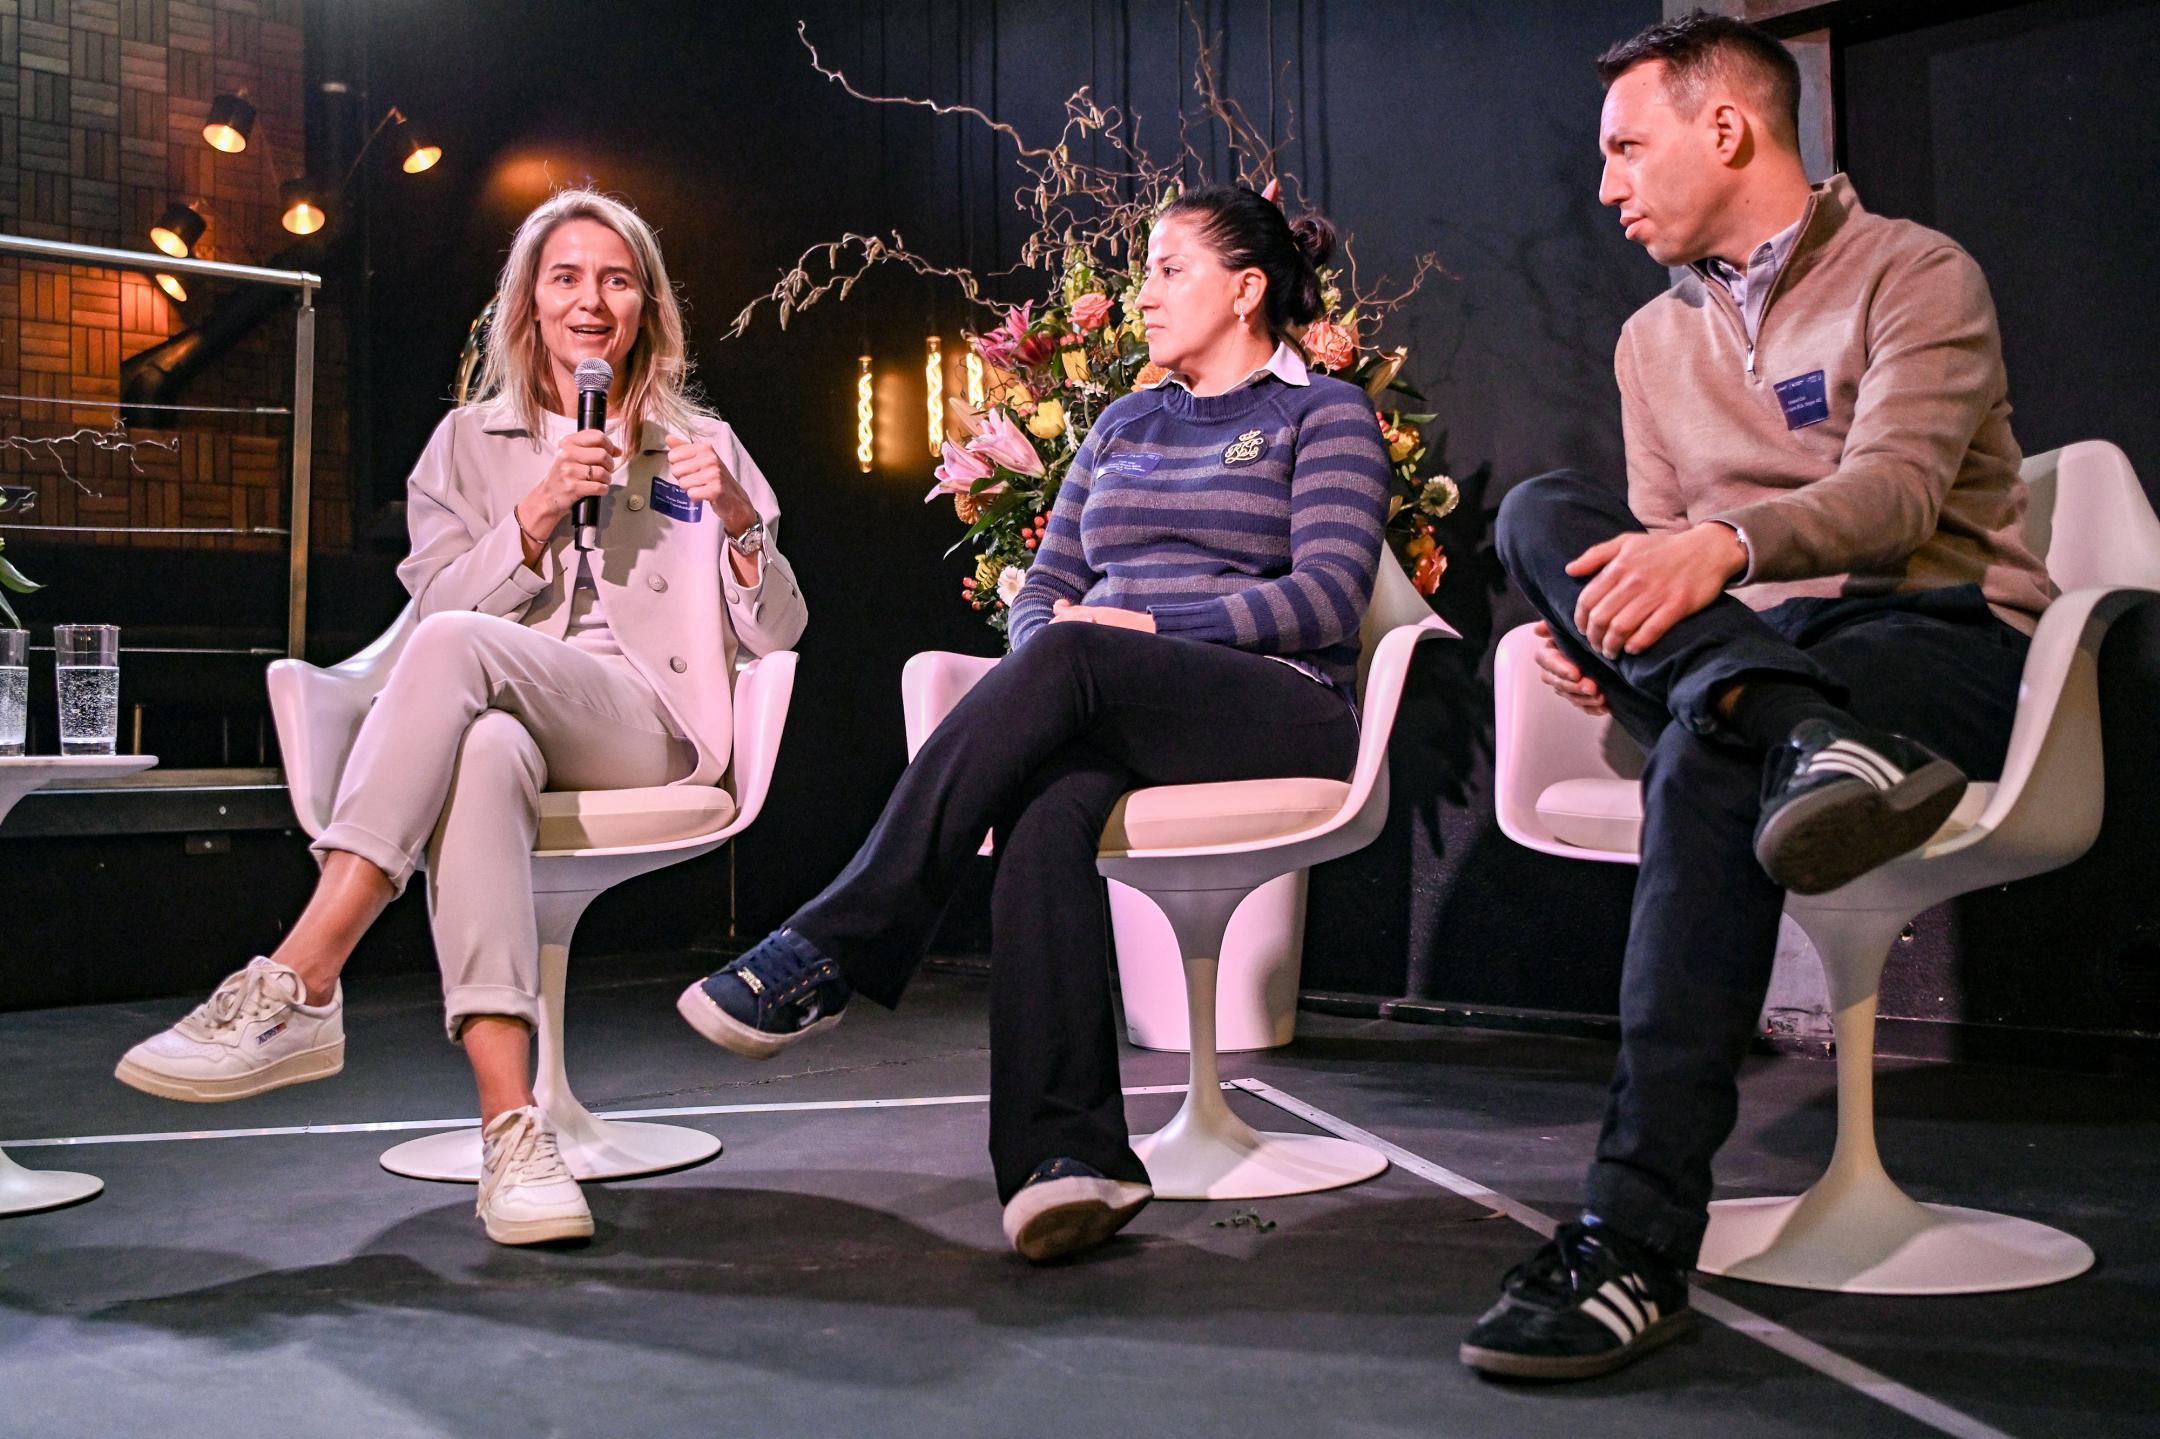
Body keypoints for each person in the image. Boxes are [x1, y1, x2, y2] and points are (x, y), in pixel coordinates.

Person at [1460, 11, 2054, 1380]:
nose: (1604, 186)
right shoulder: (1646, 344)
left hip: (1933, 634)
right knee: (1551, 519)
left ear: (1725, 128)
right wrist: (1619, 638)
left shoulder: (1916, 272)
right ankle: (1801, 733)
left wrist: (1708, 563)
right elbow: (1655, 554)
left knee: (1706, 743)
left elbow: (1902, 493)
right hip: (1771, 674)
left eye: (1626, 148)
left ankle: (1629, 1240)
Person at [673, 184, 1392, 1262]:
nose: (1141, 294)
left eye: (1167, 269)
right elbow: (1042, 586)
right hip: (1117, 691)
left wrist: (1148, 622)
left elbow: (1329, 598)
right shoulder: (1121, 422)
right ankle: (1071, 1157)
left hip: (1279, 700)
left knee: (1075, 652)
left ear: (1247, 290)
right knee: (1049, 804)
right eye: (1144, 272)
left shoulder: (1321, 412)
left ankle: (836, 937)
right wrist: (1069, 650)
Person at [115, 188, 807, 1246]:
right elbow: (431, 613)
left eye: (617, 279)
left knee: (457, 660)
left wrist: (739, 521)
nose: (592, 299)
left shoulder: (698, 441)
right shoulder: (464, 444)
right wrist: (532, 516)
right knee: (482, 746)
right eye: (567, 276)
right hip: (511, 711)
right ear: (529, 302)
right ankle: (513, 1136)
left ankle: (301, 974)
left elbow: (782, 630)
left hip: (647, 722)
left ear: (646, 309)